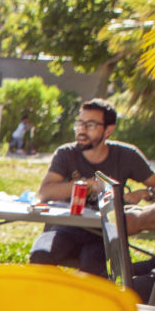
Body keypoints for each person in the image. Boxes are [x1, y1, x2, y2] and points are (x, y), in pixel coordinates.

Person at [29, 98, 155, 277]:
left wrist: (146, 193)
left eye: (90, 125)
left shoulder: (127, 155)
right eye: (79, 123)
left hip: (101, 234)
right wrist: (87, 184)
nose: (82, 129)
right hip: (65, 228)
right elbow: (45, 192)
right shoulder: (66, 153)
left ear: (108, 130)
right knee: (40, 255)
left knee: (94, 271)